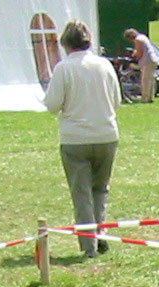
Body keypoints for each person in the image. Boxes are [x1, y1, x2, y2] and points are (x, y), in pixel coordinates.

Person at [43, 21, 122, 258]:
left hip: (75, 139)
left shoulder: (63, 68)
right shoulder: (105, 65)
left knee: (81, 194)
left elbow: (52, 105)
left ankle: (89, 245)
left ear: (65, 43)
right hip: (106, 135)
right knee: (100, 190)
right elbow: (116, 100)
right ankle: (100, 234)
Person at [124, 28, 156, 103]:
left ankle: (145, 99)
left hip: (147, 61)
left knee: (145, 80)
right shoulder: (143, 37)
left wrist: (134, 57)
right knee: (150, 80)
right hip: (152, 60)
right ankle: (150, 97)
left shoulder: (138, 40)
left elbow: (139, 53)